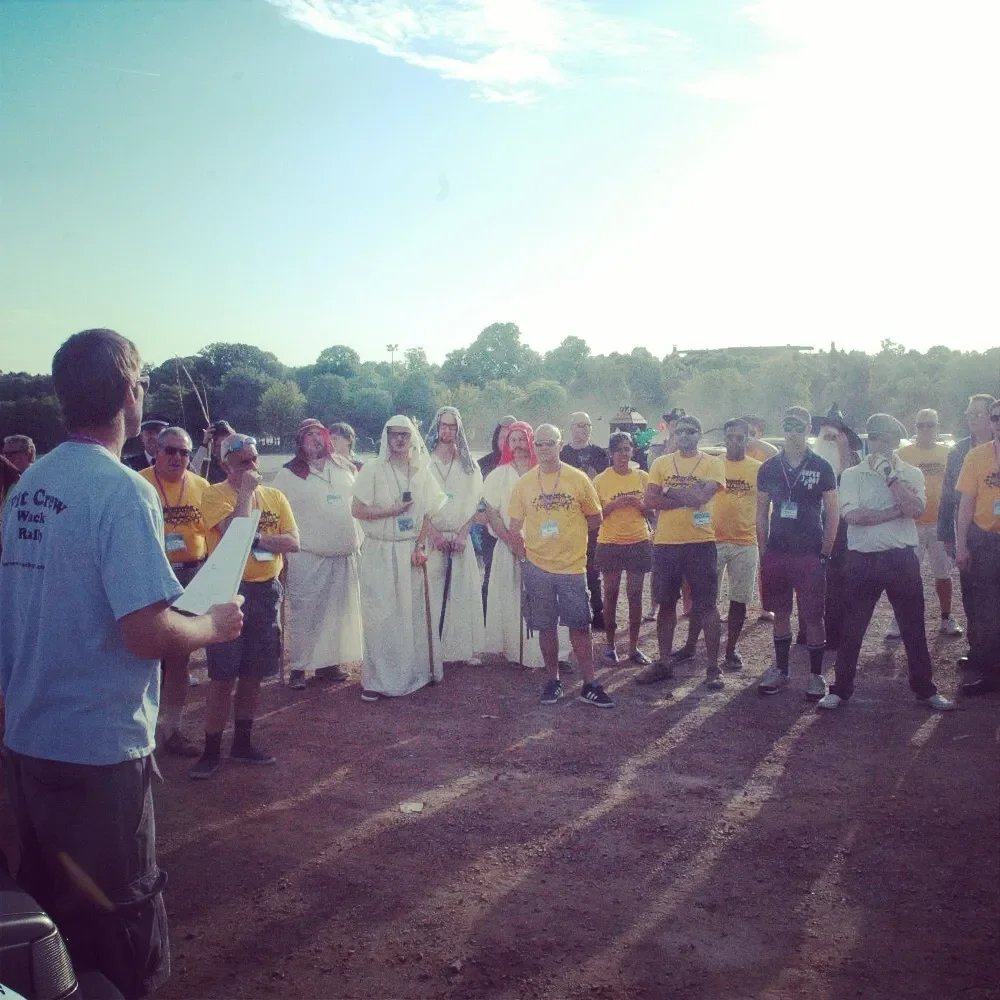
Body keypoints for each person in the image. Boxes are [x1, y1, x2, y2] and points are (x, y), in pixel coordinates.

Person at [0, 328, 243, 998]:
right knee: (118, 924)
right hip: (97, 752)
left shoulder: (28, 487)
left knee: (51, 922)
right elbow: (144, 631)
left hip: (28, 743)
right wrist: (211, 625)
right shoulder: (121, 490)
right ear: (131, 398)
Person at [817, 414, 955, 711]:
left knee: (913, 627)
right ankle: (840, 689)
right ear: (871, 440)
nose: (882, 445)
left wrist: (892, 480)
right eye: (877, 439)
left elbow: (916, 510)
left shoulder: (910, 473)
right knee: (852, 627)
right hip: (863, 559)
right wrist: (894, 512)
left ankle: (925, 689)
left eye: (887, 440)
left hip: (900, 558)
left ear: (894, 443)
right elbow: (853, 517)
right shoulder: (852, 474)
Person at [192, 434, 299, 778]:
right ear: (226, 466)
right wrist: (246, 495)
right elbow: (236, 532)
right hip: (228, 591)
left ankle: (242, 743)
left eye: (254, 459)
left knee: (253, 672)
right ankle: (210, 750)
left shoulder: (276, 496)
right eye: (244, 462)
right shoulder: (213, 494)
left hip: (266, 591)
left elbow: (293, 541)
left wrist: (260, 539)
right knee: (223, 675)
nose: (253, 467)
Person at [508, 423, 613, 707]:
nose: (544, 449)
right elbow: (514, 525)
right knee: (546, 627)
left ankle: (589, 683)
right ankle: (552, 680)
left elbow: (595, 518)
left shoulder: (578, 479)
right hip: (538, 567)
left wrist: (571, 540)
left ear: (560, 444)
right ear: (535, 447)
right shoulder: (525, 483)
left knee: (580, 626)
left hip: (571, 567)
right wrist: (524, 557)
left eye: (550, 443)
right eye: (539, 444)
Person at [351, 416, 446, 701]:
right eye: (394, 434)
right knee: (381, 616)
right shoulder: (372, 469)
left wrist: (421, 546)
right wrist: (390, 511)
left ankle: (415, 674)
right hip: (380, 550)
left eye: (405, 434)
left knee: (412, 614)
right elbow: (357, 509)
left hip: (410, 550)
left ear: (413, 438)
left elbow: (430, 512)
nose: (400, 439)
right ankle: (377, 681)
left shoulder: (421, 471)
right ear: (386, 437)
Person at [272, 418, 363, 690]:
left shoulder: (345, 467)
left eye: (319, 434)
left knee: (336, 614)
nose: (315, 439)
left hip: (344, 555)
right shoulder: (288, 475)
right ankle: (299, 667)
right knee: (306, 613)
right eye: (308, 435)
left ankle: (328, 665)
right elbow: (274, 513)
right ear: (300, 442)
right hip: (308, 556)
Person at [638, 414, 726, 691]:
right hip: (666, 544)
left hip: (700, 543)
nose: (685, 436)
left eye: (690, 431)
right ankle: (664, 663)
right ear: (673, 436)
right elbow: (649, 501)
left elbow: (702, 498)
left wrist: (668, 491)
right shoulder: (661, 463)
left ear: (699, 434)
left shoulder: (713, 463)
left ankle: (713, 668)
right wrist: (682, 493)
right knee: (666, 604)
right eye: (680, 432)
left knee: (707, 605)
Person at [756, 406, 839, 699]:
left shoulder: (822, 467)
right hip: (778, 552)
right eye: (788, 425)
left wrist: (826, 551)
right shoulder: (768, 467)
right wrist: (764, 550)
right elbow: (761, 513)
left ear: (808, 430)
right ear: (782, 427)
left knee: (813, 616)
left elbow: (832, 513)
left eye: (799, 426)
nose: (793, 432)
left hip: (810, 553)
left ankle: (816, 676)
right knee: (781, 612)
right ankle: (781, 670)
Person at [139, 426, 212, 755]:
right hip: (150, 576)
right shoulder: (138, 483)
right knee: (145, 654)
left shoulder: (201, 486)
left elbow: (211, 531)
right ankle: (142, 728)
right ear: (157, 449)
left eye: (184, 452)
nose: (178, 458)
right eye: (171, 450)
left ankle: (171, 729)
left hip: (191, 575)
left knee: (180, 656)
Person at [938, 394, 996, 672]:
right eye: (969, 413)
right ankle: (978, 651)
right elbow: (948, 497)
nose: (972, 418)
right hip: (974, 535)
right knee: (974, 597)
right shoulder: (960, 451)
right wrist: (948, 535)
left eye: (979, 413)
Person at [481, 421, 546, 666]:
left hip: (540, 549)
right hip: (508, 546)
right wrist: (510, 541)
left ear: (531, 441)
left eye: (522, 439)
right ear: (508, 444)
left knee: (541, 598)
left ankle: (542, 651)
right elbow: (492, 512)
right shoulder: (498, 475)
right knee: (510, 596)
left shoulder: (543, 473)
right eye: (513, 440)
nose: (518, 444)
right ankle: (513, 648)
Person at [424, 406, 485, 665]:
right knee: (432, 593)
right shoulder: (423, 462)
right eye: (443, 425)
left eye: (452, 426)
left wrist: (462, 535)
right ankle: (432, 649)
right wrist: (434, 535)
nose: (447, 430)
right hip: (431, 538)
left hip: (460, 540)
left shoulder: (468, 465)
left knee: (462, 594)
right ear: (437, 428)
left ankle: (461, 649)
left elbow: (475, 505)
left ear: (458, 429)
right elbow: (416, 504)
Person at [897, 408, 963, 637]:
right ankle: (899, 620)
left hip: (939, 523)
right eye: (921, 425)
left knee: (943, 574)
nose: (925, 429)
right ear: (915, 427)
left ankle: (946, 617)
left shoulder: (949, 452)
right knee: (905, 575)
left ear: (937, 427)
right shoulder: (903, 454)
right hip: (910, 524)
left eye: (930, 425)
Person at [592, 432, 652, 665]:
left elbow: (653, 511)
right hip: (610, 542)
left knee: (635, 594)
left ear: (633, 451)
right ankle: (610, 646)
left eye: (627, 449)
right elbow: (594, 517)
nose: (623, 454)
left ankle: (634, 648)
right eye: (618, 450)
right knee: (611, 593)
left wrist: (642, 505)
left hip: (638, 541)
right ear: (610, 453)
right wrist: (614, 505)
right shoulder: (600, 480)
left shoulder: (643, 478)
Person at [954, 397, 1000, 696]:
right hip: (986, 541)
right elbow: (965, 505)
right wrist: (961, 546)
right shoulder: (976, 456)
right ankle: (991, 676)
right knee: (987, 612)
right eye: (996, 418)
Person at [809, 404, 862, 648]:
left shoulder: (854, 461)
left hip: (844, 530)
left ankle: (836, 632)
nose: (829, 440)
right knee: (812, 581)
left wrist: (843, 452)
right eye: (826, 436)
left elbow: (851, 484)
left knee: (840, 581)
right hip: (813, 527)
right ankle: (809, 631)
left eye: (835, 436)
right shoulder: (811, 459)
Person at [713, 419, 761, 669]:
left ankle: (731, 649)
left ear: (747, 440)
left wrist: (764, 540)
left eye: (740, 438)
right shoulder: (712, 464)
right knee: (707, 599)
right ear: (724, 437)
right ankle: (700, 647)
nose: (734, 442)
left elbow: (764, 507)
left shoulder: (758, 468)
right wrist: (702, 525)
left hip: (745, 542)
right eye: (730, 437)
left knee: (739, 600)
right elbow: (701, 502)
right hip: (713, 541)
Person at [560, 411, 608, 630]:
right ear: (571, 428)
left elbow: (604, 482)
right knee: (569, 565)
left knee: (593, 567)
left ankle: (597, 612)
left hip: (593, 516)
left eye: (587, 425)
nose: (584, 429)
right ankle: (570, 612)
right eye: (579, 425)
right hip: (568, 518)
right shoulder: (562, 454)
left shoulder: (600, 454)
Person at [477, 415, 516, 614]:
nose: (507, 442)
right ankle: (487, 617)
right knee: (491, 573)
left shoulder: (525, 464)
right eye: (503, 436)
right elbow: (475, 496)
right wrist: (481, 515)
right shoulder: (483, 464)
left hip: (520, 530)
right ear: (496, 438)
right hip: (490, 530)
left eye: (512, 437)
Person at [191, 418, 235, 484]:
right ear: (213, 446)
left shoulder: (239, 463)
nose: (223, 450)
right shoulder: (208, 465)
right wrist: (204, 444)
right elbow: (192, 474)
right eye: (219, 446)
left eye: (226, 445)